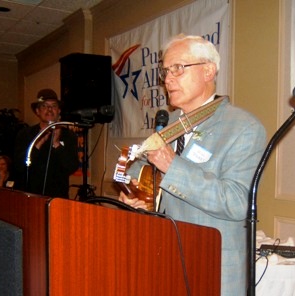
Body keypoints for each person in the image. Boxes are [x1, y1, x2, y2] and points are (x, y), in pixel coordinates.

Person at [118, 34, 266, 295]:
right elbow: (139, 170)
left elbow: (238, 202)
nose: (168, 79)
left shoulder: (243, 127)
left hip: (212, 266)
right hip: (164, 259)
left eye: (178, 68)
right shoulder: (170, 125)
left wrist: (172, 166)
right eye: (165, 71)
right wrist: (138, 193)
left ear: (208, 70)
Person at [13, 88, 79, 198]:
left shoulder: (68, 135)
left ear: (58, 110)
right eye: (44, 106)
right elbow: (19, 166)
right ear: (37, 111)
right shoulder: (25, 134)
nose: (49, 109)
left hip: (58, 199)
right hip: (30, 197)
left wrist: (57, 144)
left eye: (53, 106)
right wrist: (38, 144)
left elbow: (72, 166)